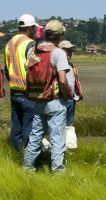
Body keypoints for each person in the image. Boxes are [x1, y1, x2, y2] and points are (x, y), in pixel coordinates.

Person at [23, 20, 72, 173]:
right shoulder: (58, 53)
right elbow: (62, 80)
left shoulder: (34, 50)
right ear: (59, 35)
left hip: (38, 98)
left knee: (35, 137)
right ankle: (57, 171)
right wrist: (67, 95)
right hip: (55, 101)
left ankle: (28, 168)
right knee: (57, 138)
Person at [4, 14, 38, 150]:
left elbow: (6, 68)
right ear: (30, 28)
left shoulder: (9, 44)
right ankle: (28, 156)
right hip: (28, 90)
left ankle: (15, 153)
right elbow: (35, 68)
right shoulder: (30, 44)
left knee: (16, 126)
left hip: (14, 90)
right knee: (28, 126)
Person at [59, 40, 81, 149]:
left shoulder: (72, 66)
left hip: (71, 99)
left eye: (70, 50)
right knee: (59, 126)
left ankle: (69, 147)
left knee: (69, 125)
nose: (69, 52)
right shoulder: (57, 65)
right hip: (60, 100)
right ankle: (61, 148)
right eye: (67, 50)